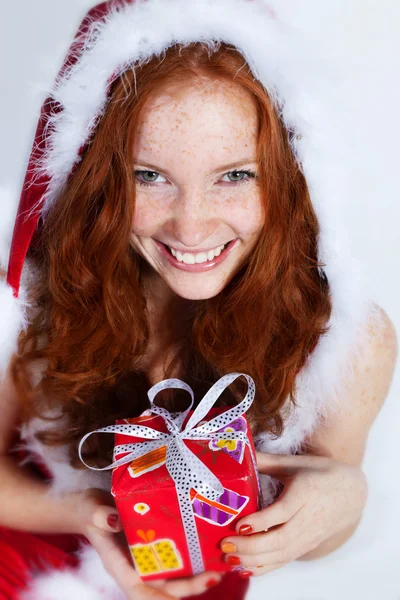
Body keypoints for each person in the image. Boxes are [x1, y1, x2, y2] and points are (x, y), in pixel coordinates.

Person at [0, 0, 397, 599]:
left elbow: (323, 534)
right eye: (148, 176)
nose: (191, 227)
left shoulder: (344, 340)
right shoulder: (29, 302)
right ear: (98, 178)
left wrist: (345, 496)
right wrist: (87, 514)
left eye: (235, 175)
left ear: (289, 176)